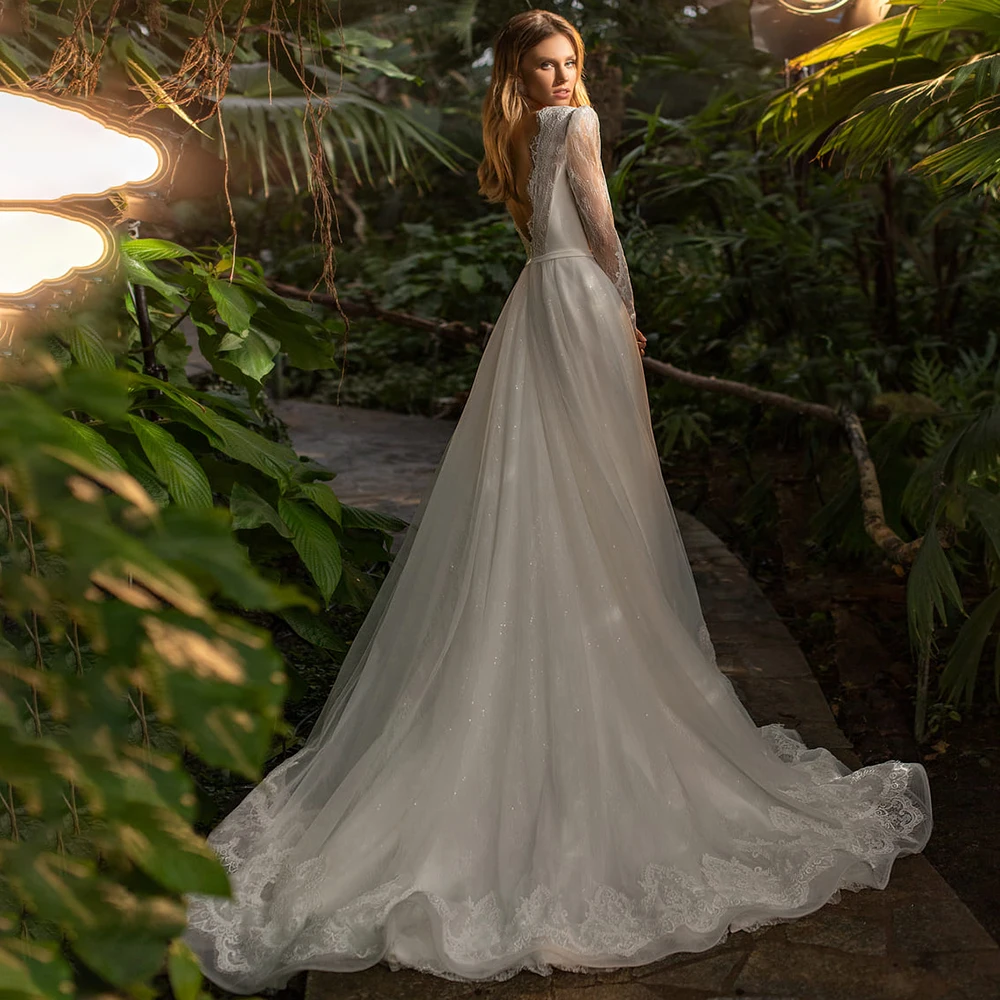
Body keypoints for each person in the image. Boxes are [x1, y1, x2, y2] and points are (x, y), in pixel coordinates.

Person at [182, 9, 931, 992]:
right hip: (576, 309)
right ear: (518, 76)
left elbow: (552, 229)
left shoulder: (524, 135)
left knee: (543, 491)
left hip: (536, 309)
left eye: (570, 61)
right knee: (594, 490)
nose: (563, 78)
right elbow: (605, 231)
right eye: (545, 65)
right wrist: (628, 319)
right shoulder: (569, 133)